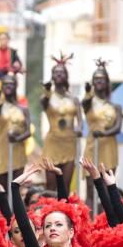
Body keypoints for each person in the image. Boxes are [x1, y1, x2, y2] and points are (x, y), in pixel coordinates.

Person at [40, 54, 83, 192]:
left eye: (62, 72)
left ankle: (65, 211)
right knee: (51, 185)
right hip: (52, 142)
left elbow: (81, 122)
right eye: (56, 72)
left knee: (65, 184)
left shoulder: (74, 99)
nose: (59, 75)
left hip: (70, 143)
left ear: (66, 76)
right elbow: (44, 103)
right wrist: (47, 90)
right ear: (52, 77)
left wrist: (79, 129)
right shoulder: (46, 97)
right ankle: (50, 211)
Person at [0, 73, 31, 192]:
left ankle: (15, 210)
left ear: (16, 86)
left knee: (15, 188)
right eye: (5, 84)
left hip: (18, 150)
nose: (8, 86)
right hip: (1, 150)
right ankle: (4, 210)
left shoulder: (23, 109)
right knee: (2, 189)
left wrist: (17, 139)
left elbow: (28, 132)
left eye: (11, 84)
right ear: (1, 87)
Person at [81, 60, 123, 179]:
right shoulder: (88, 102)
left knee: (108, 185)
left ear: (107, 82)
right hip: (92, 144)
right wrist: (88, 92)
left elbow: (117, 127)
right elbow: (85, 102)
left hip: (109, 146)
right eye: (96, 78)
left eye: (102, 78)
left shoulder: (116, 107)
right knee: (91, 184)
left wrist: (103, 133)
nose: (99, 80)